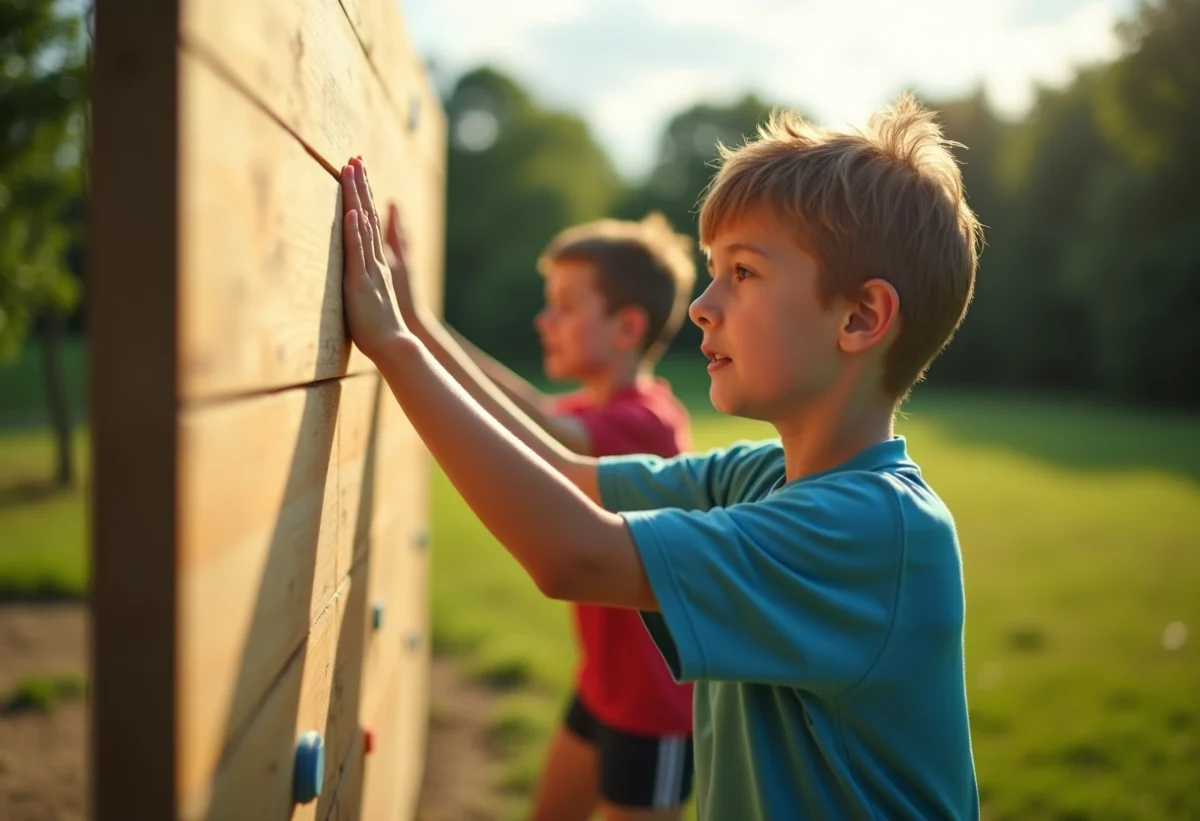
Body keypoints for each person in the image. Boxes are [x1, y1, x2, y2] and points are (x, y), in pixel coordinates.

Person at [337, 89, 983, 819]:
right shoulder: (757, 476)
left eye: (742, 271)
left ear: (861, 316)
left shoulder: (875, 528)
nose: (704, 304)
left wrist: (396, 345)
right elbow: (567, 476)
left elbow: (573, 555)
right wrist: (417, 329)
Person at [380, 207, 699, 820]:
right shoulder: (601, 410)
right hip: (603, 684)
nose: (543, 320)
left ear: (626, 327)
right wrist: (419, 325)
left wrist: (414, 326)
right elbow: (527, 409)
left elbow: (531, 425)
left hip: (656, 709)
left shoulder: (645, 422)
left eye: (565, 307)